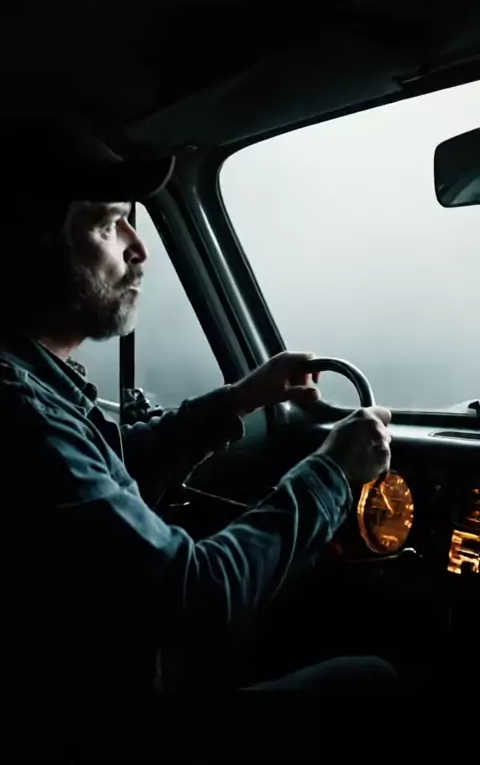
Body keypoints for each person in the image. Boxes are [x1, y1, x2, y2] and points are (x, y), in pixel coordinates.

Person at [0, 120, 397, 758]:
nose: (139, 249)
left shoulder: (33, 382)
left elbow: (113, 463)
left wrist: (241, 398)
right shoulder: (19, 411)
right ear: (33, 246)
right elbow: (195, 596)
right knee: (372, 686)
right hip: (98, 719)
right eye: (109, 224)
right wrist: (333, 474)